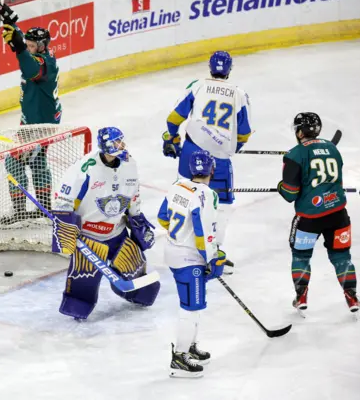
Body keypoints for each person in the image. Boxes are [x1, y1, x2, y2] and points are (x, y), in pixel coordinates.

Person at [52, 127, 160, 320]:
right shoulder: (84, 168)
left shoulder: (129, 163)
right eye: (117, 142)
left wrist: (136, 218)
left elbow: (133, 194)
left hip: (117, 231)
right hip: (89, 236)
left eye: (121, 141)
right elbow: (63, 198)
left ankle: (135, 294)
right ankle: (78, 305)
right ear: (106, 146)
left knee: (143, 285)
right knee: (83, 281)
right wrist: (66, 226)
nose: (122, 145)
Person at [162, 51, 252, 274]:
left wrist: (172, 139)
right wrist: (233, 147)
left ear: (210, 67)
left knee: (183, 195)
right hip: (219, 158)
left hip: (191, 151)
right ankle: (214, 254)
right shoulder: (239, 94)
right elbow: (244, 132)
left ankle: (181, 246)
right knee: (221, 206)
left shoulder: (197, 85)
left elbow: (174, 118)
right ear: (229, 70)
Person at [278, 112, 360, 314]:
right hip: (338, 215)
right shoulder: (333, 148)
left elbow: (290, 193)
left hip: (309, 218)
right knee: (342, 256)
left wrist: (281, 185)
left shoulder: (294, 155)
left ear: (299, 131)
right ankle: (352, 297)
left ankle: (301, 296)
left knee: (301, 256)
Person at [157, 150, 226, 378]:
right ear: (212, 170)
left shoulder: (177, 186)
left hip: (173, 253)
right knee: (191, 308)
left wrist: (179, 239)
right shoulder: (207, 195)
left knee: (193, 305)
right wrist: (213, 258)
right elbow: (203, 232)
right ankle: (179, 357)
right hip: (190, 259)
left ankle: (190, 346)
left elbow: (162, 218)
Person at [0, 2, 62, 225]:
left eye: (33, 46)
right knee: (38, 162)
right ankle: (43, 207)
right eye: (28, 45)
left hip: (40, 125)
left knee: (14, 162)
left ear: (41, 46)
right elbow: (22, 45)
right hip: (32, 121)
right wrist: (9, 20)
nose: (29, 47)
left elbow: (30, 67)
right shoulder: (38, 53)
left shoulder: (46, 64)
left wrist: (19, 46)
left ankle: (21, 210)